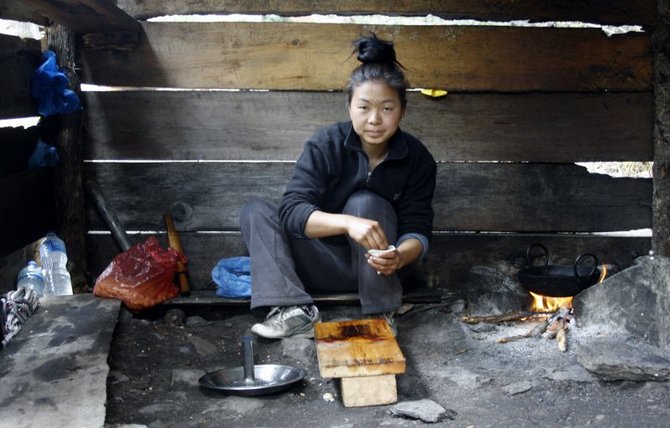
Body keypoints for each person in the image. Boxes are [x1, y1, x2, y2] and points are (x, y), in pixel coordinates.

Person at [240, 33, 437, 339]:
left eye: (387, 108)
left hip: (379, 271)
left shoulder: (418, 158)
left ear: (403, 111)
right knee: (255, 211)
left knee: (365, 202)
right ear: (349, 107)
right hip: (319, 266)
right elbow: (292, 212)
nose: (374, 119)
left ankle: (382, 312)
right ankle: (293, 310)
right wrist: (347, 224)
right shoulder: (326, 144)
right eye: (364, 107)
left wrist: (399, 255)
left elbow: (419, 230)